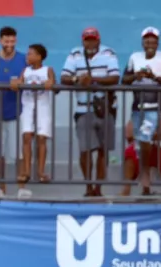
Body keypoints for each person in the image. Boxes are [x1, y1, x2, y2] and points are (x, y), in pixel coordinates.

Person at [61, 28, 121, 197]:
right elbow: (64, 77)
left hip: (105, 109)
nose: (90, 43)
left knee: (103, 150)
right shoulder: (75, 54)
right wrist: (77, 79)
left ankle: (98, 188)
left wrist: (92, 80)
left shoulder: (108, 53)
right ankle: (88, 187)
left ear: (98, 40)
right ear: (83, 41)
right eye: (87, 40)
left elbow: (115, 77)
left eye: (93, 39)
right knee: (85, 150)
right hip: (83, 109)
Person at [123, 27, 161, 195]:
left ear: (157, 43)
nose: (150, 43)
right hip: (137, 107)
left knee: (145, 138)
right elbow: (125, 79)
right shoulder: (134, 57)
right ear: (142, 42)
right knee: (140, 143)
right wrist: (136, 76)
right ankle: (146, 187)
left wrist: (153, 77)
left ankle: (145, 173)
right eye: (147, 40)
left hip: (155, 107)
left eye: (153, 41)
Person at [0, 26, 26, 192]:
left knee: (19, 154)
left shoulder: (23, 59)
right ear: (0, 41)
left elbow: (30, 77)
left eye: (12, 41)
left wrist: (22, 82)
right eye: (6, 41)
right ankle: (1, 187)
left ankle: (21, 188)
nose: (9, 44)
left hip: (18, 113)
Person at [14, 43, 53, 197]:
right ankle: (26, 171)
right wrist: (16, 83)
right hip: (28, 106)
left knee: (41, 138)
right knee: (26, 136)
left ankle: (40, 171)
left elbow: (52, 82)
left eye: (30, 54)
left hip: (43, 106)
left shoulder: (47, 70)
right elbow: (18, 82)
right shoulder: (26, 71)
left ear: (39, 56)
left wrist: (50, 83)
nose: (27, 56)